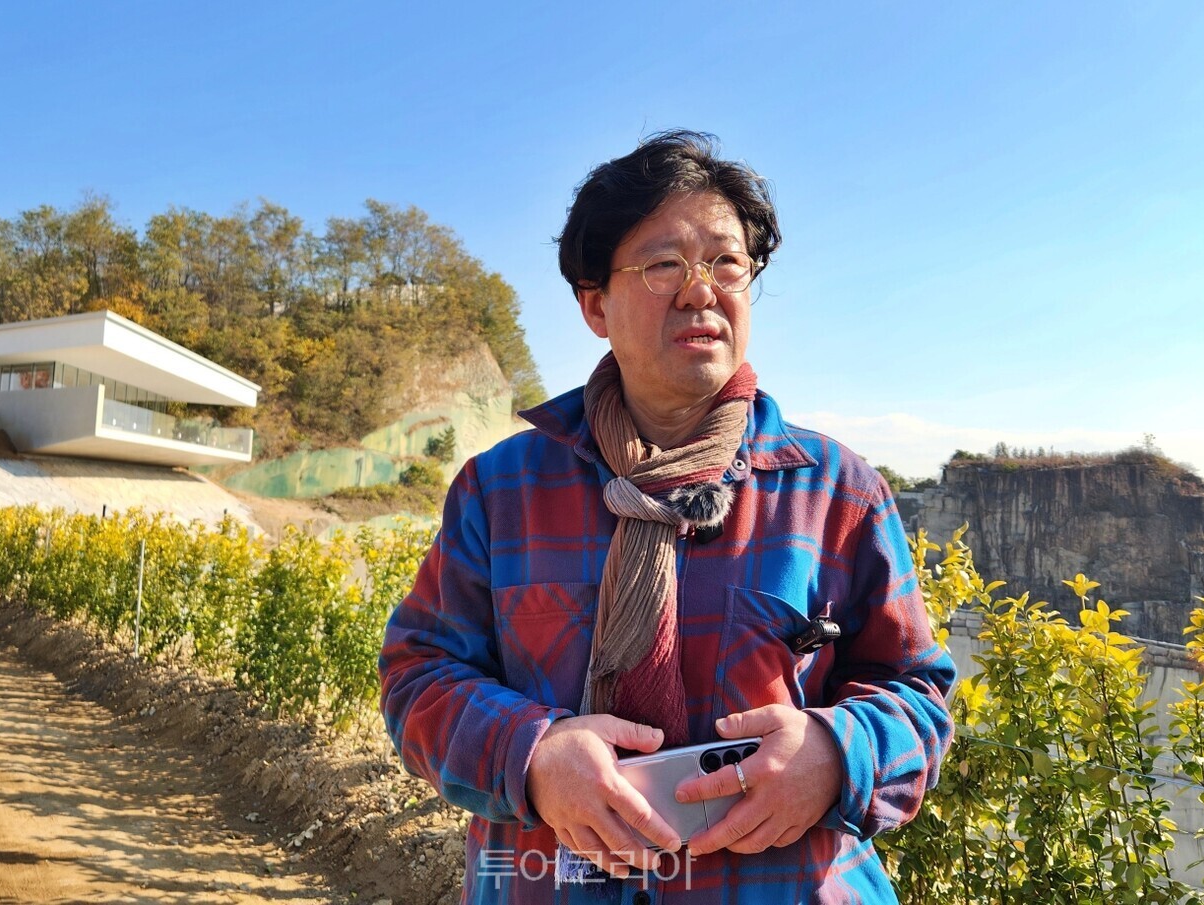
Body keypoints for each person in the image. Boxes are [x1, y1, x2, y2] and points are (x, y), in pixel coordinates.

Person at [380, 130, 955, 904]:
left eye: (726, 262)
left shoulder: (838, 491)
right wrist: (534, 754)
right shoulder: (501, 490)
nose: (699, 291)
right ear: (595, 304)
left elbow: (918, 695)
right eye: (663, 265)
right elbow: (419, 675)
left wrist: (834, 752)